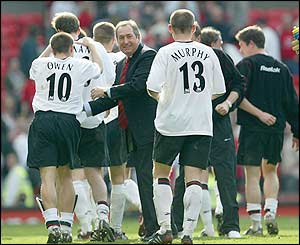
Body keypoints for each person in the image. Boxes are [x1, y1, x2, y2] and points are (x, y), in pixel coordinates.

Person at [146, 9, 226, 244]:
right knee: (194, 178)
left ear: (170, 28)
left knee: (161, 174)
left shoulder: (165, 52)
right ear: (194, 28)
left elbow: (152, 87)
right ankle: (189, 233)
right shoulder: (209, 53)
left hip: (170, 123)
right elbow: (218, 90)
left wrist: (168, 100)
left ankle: (165, 228)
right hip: (200, 123)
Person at [86, 19, 160, 241]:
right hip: (131, 131)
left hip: (147, 130)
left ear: (138, 37)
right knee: (144, 179)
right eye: (121, 37)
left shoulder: (148, 56)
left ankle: (156, 227)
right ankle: (154, 226)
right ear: (116, 41)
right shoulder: (122, 64)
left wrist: (107, 91)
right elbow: (114, 98)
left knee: (147, 179)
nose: (126, 41)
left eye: (129, 36)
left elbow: (137, 86)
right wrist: (84, 110)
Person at [27, 32, 102, 243]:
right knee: (66, 175)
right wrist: (91, 46)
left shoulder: (40, 64)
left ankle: (53, 227)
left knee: (47, 177)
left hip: (44, 120)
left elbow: (36, 66)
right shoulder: (79, 65)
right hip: (69, 122)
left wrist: (50, 47)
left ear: (52, 48)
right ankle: (67, 227)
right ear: (72, 49)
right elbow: (99, 69)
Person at [172, 24, 244, 239]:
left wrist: (228, 104)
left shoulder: (219, 56)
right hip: (193, 124)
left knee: (225, 175)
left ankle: (231, 226)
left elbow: (239, 83)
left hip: (216, 122)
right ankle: (176, 225)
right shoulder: (176, 57)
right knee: (186, 176)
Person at [49, 12, 116, 242]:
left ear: (57, 32)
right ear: (79, 27)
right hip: (93, 116)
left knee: (64, 174)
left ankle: (71, 226)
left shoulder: (58, 51)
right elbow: (109, 77)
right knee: (95, 173)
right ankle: (103, 220)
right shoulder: (95, 46)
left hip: (67, 118)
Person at [235, 25, 299, 236]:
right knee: (270, 171)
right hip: (276, 129)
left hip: (253, 128)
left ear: (251, 43)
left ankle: (255, 224)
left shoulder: (246, 65)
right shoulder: (281, 68)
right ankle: (271, 211)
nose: (240, 49)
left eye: (242, 45)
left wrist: (259, 114)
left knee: (252, 174)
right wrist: (297, 131)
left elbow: (238, 96)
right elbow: (292, 103)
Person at [93, 22, 145, 240]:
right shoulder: (121, 60)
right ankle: (114, 227)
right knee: (120, 177)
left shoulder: (86, 60)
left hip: (93, 122)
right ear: (113, 40)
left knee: (89, 175)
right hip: (117, 122)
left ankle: (93, 225)